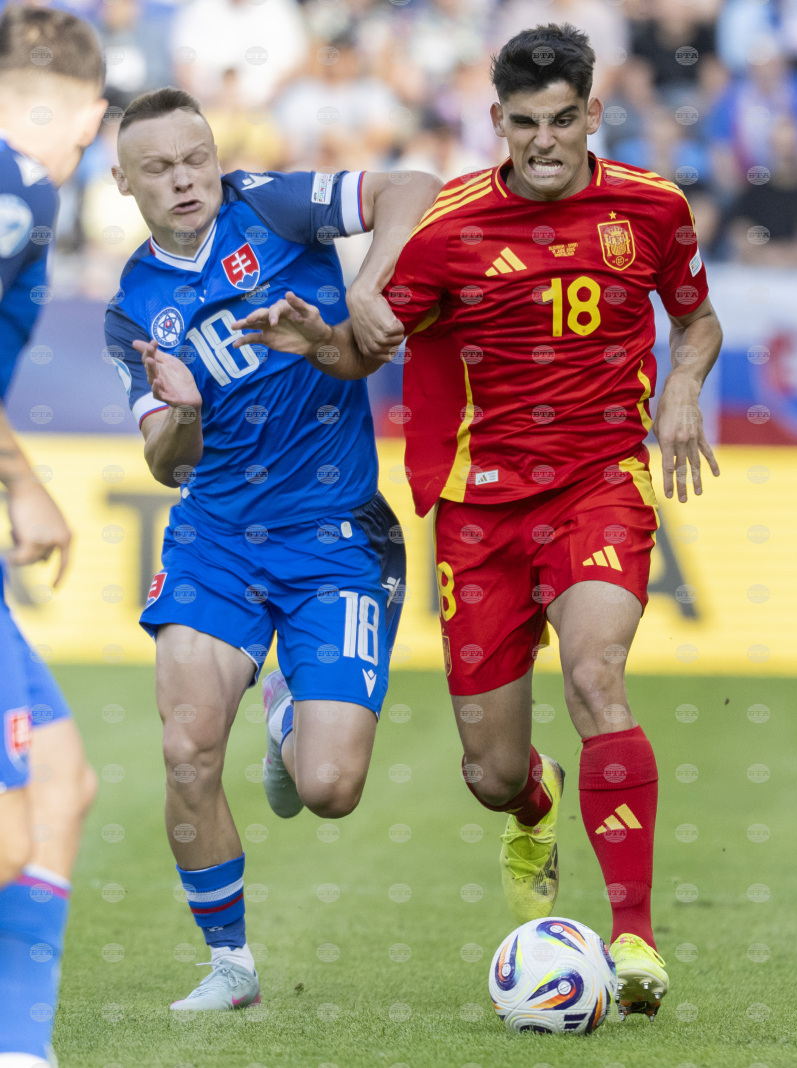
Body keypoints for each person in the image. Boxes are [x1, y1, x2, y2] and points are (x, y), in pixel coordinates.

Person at [233, 23, 723, 1021]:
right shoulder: (447, 230)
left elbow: (696, 318)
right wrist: (318, 339)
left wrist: (682, 388)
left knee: (595, 676)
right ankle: (534, 804)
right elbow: (366, 350)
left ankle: (633, 938)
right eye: (523, 123)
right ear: (496, 119)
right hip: (478, 509)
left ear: (592, 113)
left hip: (598, 484)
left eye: (562, 121)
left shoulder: (653, 207)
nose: (543, 142)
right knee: (490, 773)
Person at [104, 87, 440, 1011]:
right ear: (123, 183)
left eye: (197, 158)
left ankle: (287, 709)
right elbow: (167, 464)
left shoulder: (277, 205)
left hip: (336, 537)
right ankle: (231, 966)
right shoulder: (131, 310)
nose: (186, 180)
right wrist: (183, 413)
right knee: (186, 747)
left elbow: (414, 185)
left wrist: (365, 287)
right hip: (216, 540)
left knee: (329, 788)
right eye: (160, 168)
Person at [0, 8, 106, 1067]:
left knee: (63, 786)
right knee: (7, 836)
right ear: (90, 111)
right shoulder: (18, 186)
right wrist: (24, 483)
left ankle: (18, 1049)